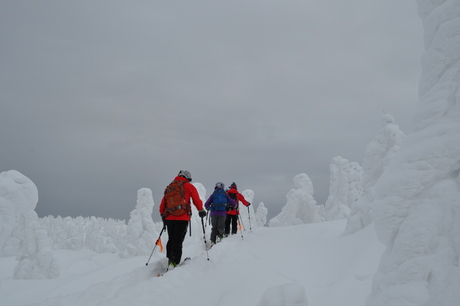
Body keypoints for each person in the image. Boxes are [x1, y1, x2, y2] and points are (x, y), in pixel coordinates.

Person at [159, 170, 206, 268]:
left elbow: (163, 203)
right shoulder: (189, 186)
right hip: (182, 217)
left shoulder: (170, 187)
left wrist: (163, 215)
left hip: (169, 218)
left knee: (171, 238)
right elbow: (196, 200)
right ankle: (174, 261)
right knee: (178, 239)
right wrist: (201, 210)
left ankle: (170, 259)